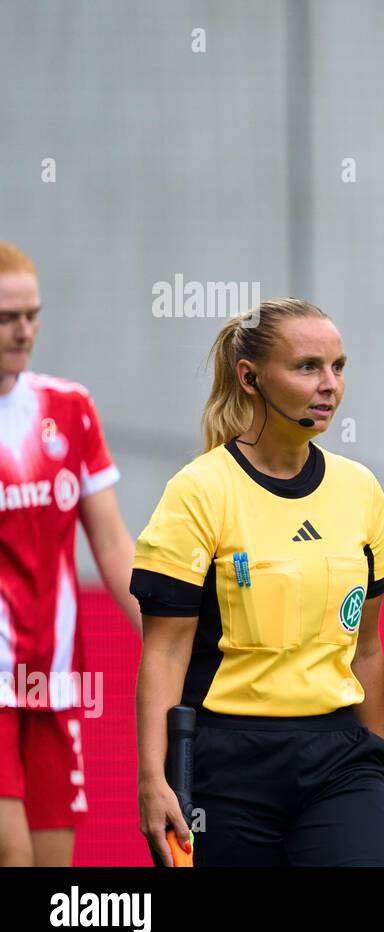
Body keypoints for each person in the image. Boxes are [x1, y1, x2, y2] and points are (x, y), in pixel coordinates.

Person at [132, 297, 384, 867]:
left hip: (339, 759)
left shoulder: (360, 491)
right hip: (226, 763)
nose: (329, 385)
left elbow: (367, 647)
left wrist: (377, 756)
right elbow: (165, 652)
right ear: (249, 377)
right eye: (307, 367)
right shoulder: (198, 491)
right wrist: (153, 779)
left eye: (338, 367)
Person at [0, 241, 141, 867]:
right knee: (12, 854)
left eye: (32, 314)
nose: (24, 330)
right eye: (7, 317)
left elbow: (111, 545)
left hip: (54, 680)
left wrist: (173, 637)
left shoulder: (69, 408)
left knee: (54, 867)